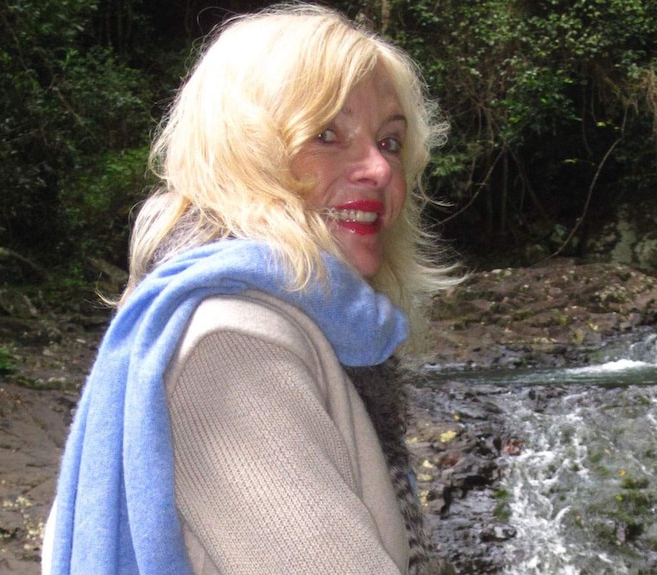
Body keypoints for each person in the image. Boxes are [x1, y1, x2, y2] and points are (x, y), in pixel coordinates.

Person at [42, 3, 457, 574]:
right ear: (245, 154)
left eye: (389, 143)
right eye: (327, 135)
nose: (380, 171)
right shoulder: (235, 344)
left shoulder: (304, 325)